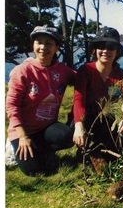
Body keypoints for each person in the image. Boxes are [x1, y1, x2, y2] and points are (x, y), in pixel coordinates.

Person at [5, 25, 76, 176]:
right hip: (22, 131)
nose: (43, 47)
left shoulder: (61, 70)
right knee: (33, 171)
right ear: (33, 45)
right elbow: (12, 105)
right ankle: (13, 146)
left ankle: (44, 150)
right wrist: (23, 137)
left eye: (49, 43)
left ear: (57, 47)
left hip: (46, 128)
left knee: (68, 136)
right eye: (39, 42)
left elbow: (83, 79)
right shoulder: (22, 71)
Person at [72, 26, 123, 166]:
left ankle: (99, 151)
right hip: (87, 119)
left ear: (117, 51)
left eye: (111, 46)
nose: (106, 51)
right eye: (101, 46)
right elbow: (78, 100)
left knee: (118, 150)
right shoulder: (86, 71)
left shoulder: (120, 75)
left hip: (108, 120)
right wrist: (79, 125)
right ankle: (86, 150)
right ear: (94, 50)